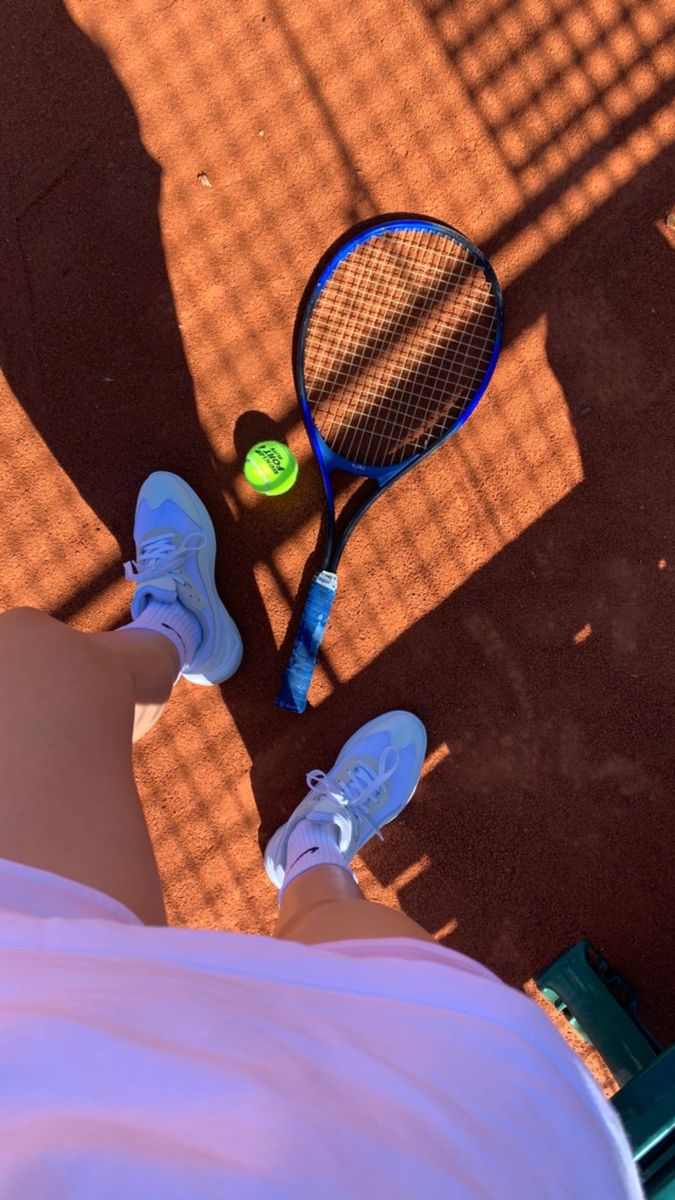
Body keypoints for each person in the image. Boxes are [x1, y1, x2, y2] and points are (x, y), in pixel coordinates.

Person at [0, 472, 641, 1197]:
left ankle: (178, 627)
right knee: (345, 936)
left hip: (27, 1075)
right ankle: (311, 851)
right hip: (400, 1162)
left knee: (27, 662)